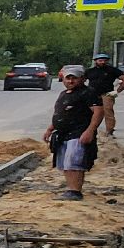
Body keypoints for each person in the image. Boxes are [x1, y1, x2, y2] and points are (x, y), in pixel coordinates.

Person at [44, 65, 104, 200]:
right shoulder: (64, 94)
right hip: (63, 133)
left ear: (82, 79)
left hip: (79, 133)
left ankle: (75, 191)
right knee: (65, 163)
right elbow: (60, 113)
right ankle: (71, 190)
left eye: (74, 78)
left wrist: (90, 131)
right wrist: (50, 129)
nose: (70, 81)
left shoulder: (88, 93)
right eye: (68, 78)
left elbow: (98, 112)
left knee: (74, 162)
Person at [83, 52, 124, 136]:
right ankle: (89, 129)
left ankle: (109, 131)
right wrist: (84, 91)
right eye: (100, 60)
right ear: (95, 61)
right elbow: (81, 81)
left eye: (105, 60)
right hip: (92, 94)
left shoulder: (112, 70)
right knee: (89, 111)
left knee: (108, 112)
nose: (103, 62)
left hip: (109, 93)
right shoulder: (90, 71)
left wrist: (118, 91)